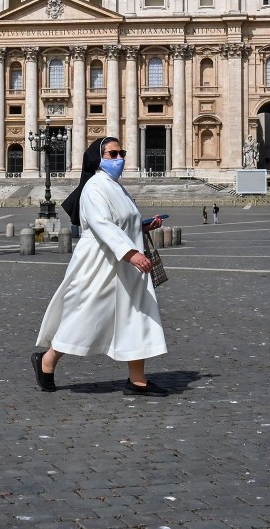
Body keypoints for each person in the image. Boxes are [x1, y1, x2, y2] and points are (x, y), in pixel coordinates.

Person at [33, 137, 168, 396]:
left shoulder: (117, 187)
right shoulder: (94, 187)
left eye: (121, 153)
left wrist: (143, 226)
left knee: (136, 316)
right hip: (100, 263)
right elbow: (101, 224)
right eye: (113, 154)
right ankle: (47, 360)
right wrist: (131, 253)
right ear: (99, 158)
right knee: (85, 315)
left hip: (126, 264)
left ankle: (137, 380)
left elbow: (122, 222)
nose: (119, 158)